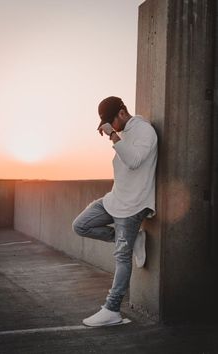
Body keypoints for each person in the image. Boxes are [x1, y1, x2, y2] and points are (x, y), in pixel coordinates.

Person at [72, 96, 158, 327]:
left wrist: (113, 136)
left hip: (133, 205)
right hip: (115, 198)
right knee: (80, 225)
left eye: (111, 122)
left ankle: (112, 310)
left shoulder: (145, 131)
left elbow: (134, 161)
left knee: (121, 256)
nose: (112, 127)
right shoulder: (126, 133)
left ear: (122, 113)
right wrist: (116, 135)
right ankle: (133, 239)